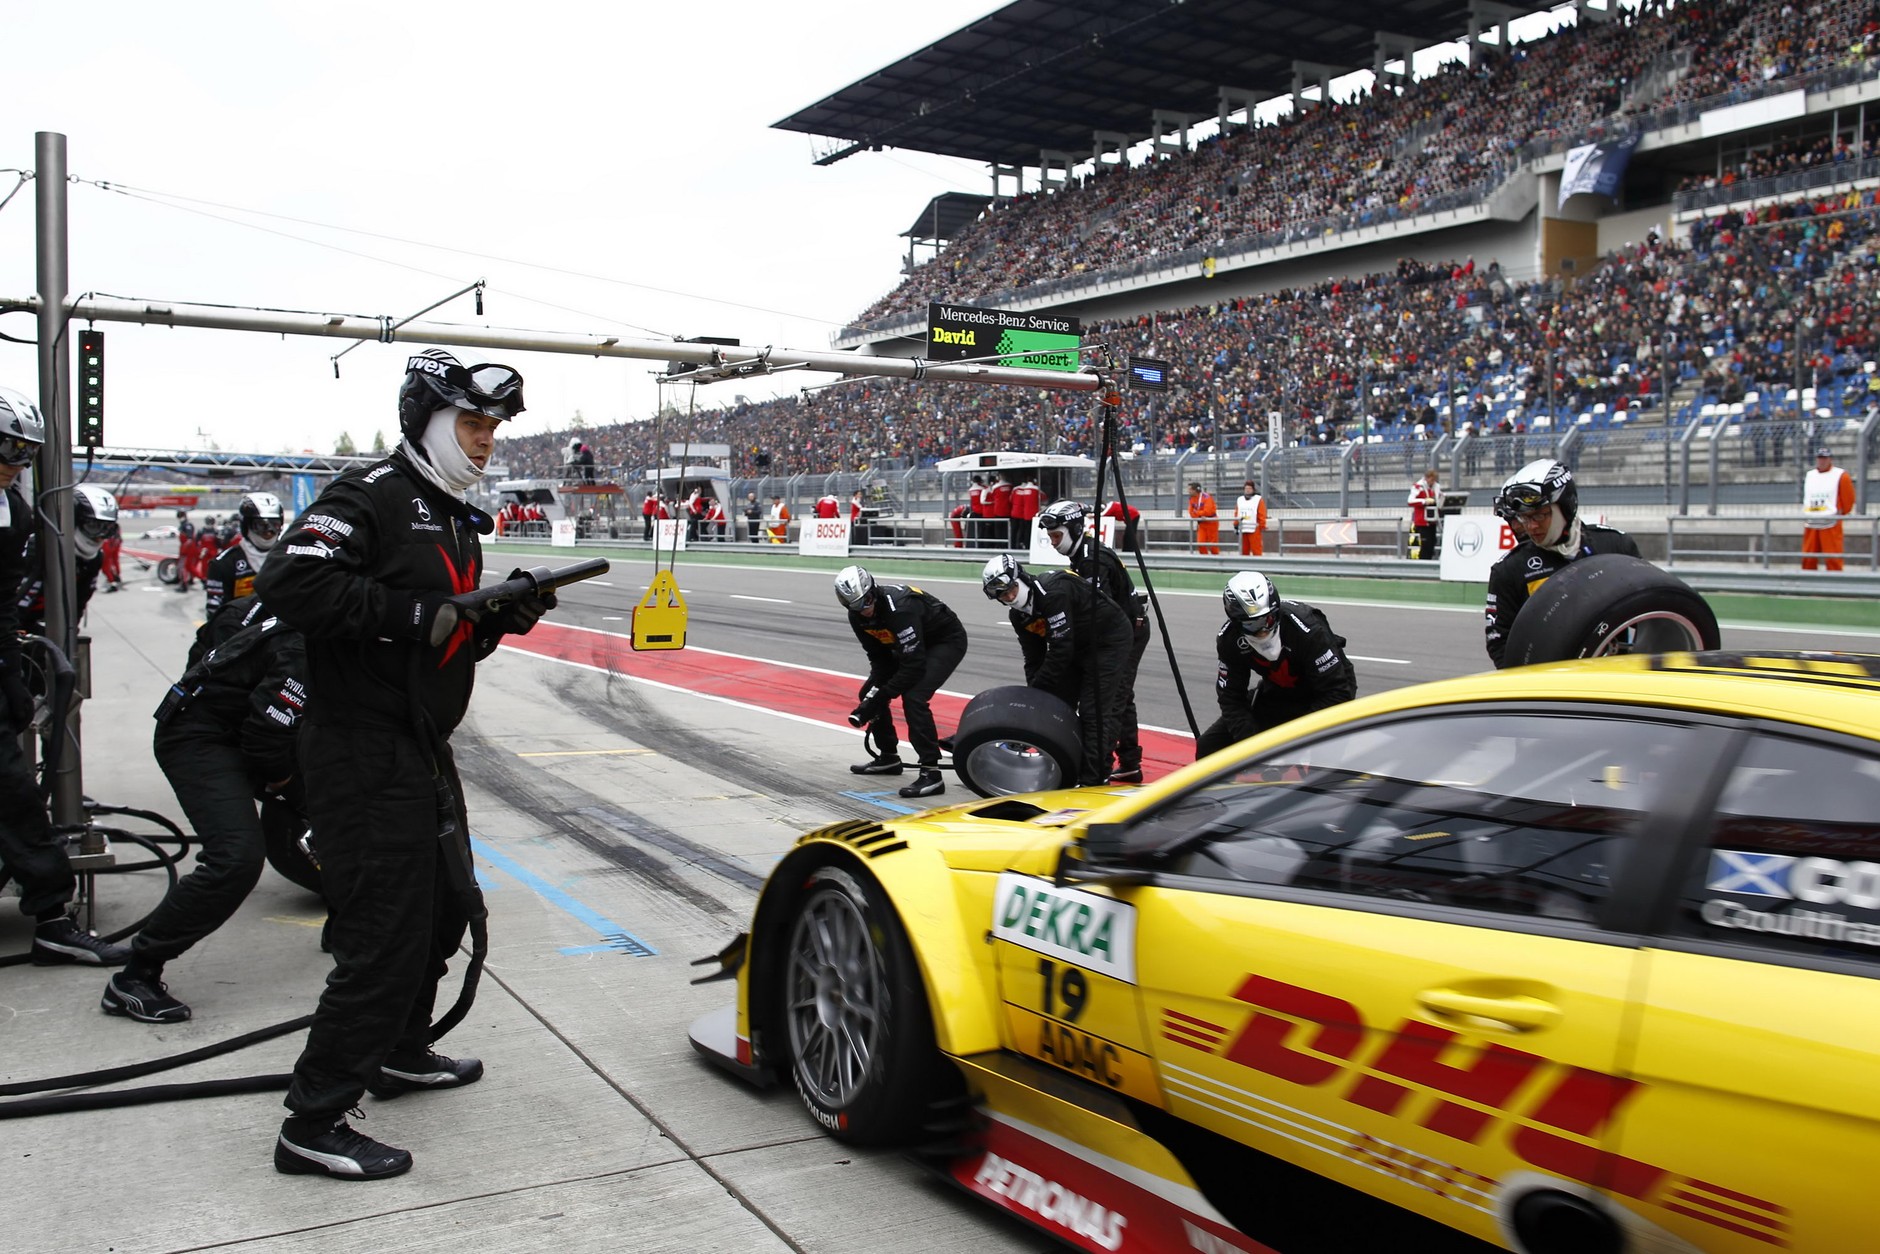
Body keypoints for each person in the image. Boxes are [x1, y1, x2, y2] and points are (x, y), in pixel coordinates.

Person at [256, 349, 555, 1180]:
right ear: (426, 420)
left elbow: (443, 636)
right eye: (471, 422)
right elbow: (289, 584)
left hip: (419, 745)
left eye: (493, 425)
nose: (487, 439)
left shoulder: (456, 515)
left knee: (446, 912)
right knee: (383, 938)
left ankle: (396, 1052)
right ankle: (313, 1122)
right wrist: (415, 611)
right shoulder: (372, 497)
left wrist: (499, 618)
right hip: (358, 748)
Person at [101, 596, 308, 1024]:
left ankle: (345, 927)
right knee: (236, 857)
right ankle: (135, 976)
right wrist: (291, 793)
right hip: (199, 737)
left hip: (244, 730)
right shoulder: (306, 642)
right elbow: (268, 742)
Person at [0, 385, 127, 966]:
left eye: (24, 453)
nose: (15, 464)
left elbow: (6, 602)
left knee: (19, 799)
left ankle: (52, 916)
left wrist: (10, 670)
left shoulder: (17, 512)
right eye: (7, 448)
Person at [981, 554, 1132, 787]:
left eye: (1011, 589)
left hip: (1107, 641)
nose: (1010, 597)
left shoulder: (1053, 593)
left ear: (1020, 578)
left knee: (1095, 710)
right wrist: (1035, 696)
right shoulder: (1018, 616)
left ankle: (1095, 778)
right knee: (1060, 704)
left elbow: (1061, 650)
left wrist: (1037, 692)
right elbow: (1033, 659)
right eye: (1002, 595)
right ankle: (1067, 766)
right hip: (1076, 645)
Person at [1485, 459, 1639, 668]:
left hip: (1616, 678)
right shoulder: (1510, 569)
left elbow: (1652, 610)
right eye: (1524, 518)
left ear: (1565, 506)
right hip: (1554, 686)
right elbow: (1499, 642)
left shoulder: (1615, 544)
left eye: (1539, 515)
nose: (1531, 526)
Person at [1037, 499, 1149, 784]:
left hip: (1127, 632)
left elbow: (1103, 612)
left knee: (1108, 703)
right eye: (1049, 537)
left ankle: (1099, 769)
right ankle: (1131, 763)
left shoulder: (1091, 560)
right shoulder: (1083, 554)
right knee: (1123, 697)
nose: (1052, 542)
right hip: (1126, 626)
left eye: (1056, 535)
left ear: (1074, 528)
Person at [835, 565, 968, 799]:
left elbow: (913, 666)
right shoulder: (856, 616)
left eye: (866, 601)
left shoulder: (900, 608)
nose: (863, 609)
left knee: (914, 697)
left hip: (944, 640)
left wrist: (882, 696)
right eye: (855, 605)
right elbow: (880, 660)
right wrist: (873, 698)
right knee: (868, 693)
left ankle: (931, 772)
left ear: (872, 590)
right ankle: (888, 757)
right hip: (909, 646)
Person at [1196, 571, 1356, 758]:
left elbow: (1338, 692)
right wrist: (1252, 745)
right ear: (1236, 622)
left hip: (1327, 694)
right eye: (1251, 626)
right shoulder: (1229, 640)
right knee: (1208, 747)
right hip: (1279, 693)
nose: (1262, 631)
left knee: (1320, 762)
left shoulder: (1307, 629)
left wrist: (1293, 738)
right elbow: (1230, 699)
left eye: (1267, 620)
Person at [16, 482, 115, 637]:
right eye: (94, 526)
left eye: (107, 528)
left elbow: (79, 603)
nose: (100, 536)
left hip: (32, 625)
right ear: (73, 517)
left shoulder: (94, 560)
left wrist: (68, 634)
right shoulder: (34, 545)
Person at [204, 490, 284, 614]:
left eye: (275, 525)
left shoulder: (292, 558)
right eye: (261, 525)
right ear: (246, 525)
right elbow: (214, 615)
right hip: (241, 630)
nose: (269, 531)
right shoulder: (223, 564)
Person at [1802, 446, 1855, 571]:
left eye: (1825, 458)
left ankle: (1835, 586)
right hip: (1811, 523)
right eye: (1820, 458)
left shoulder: (1841, 475)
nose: (1822, 461)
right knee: (1808, 558)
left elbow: (1848, 499)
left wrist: (1839, 514)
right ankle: (1809, 586)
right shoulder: (1810, 475)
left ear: (1830, 459)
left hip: (1830, 524)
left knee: (1833, 558)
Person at [1408, 467, 1441, 560]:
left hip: (1432, 521)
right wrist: (1424, 501)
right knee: (1425, 545)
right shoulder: (1418, 487)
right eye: (1431, 479)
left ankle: (1429, 562)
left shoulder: (1436, 487)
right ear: (1427, 478)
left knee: (1432, 543)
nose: (1433, 482)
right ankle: (1423, 564)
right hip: (1422, 521)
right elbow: (1410, 501)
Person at [1233, 479, 1267, 557]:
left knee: (1256, 551)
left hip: (1254, 529)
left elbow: (1262, 514)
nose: (1247, 491)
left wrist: (1262, 525)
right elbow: (1237, 513)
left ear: (1253, 490)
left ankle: (1258, 567)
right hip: (1243, 528)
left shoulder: (1258, 499)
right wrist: (1235, 524)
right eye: (1246, 489)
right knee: (1243, 551)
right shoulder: (1240, 500)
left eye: (1249, 489)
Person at [1008, 476, 1041, 551]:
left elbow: (1011, 500)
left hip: (1016, 513)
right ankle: (1024, 545)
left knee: (1015, 531)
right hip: (1025, 514)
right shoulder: (1034, 489)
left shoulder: (1016, 489)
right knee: (1024, 531)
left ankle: (1014, 546)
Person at [1188, 482, 1220, 555]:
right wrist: (1200, 515)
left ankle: (1216, 560)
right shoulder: (1191, 499)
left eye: (1190, 489)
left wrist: (1197, 513)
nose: (1188, 491)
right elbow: (1191, 512)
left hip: (1211, 522)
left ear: (1195, 490)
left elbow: (1208, 511)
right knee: (1200, 543)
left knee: (1213, 544)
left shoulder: (1206, 497)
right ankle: (1205, 559)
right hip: (1201, 523)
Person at [175, 508, 198, 593]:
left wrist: (184, 548)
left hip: (187, 550)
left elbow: (190, 539)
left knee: (182, 567)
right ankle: (188, 581)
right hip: (186, 548)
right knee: (186, 567)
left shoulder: (187, 525)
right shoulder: (183, 525)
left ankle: (184, 585)